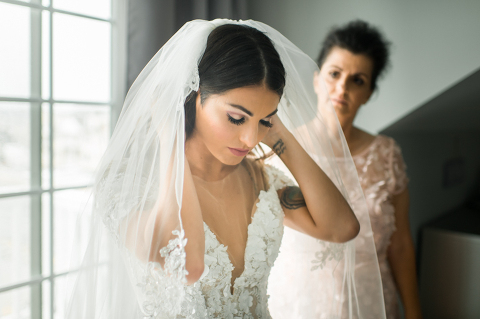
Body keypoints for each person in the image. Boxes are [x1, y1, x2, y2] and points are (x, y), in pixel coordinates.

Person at [65, 19, 384, 319]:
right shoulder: (129, 184)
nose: (249, 138)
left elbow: (342, 227)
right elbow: (188, 265)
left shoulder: (260, 179)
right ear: (194, 95)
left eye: (264, 120)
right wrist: (170, 132)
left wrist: (279, 134)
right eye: (236, 117)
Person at [313, 20, 422, 319]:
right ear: (315, 78)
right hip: (303, 301)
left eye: (357, 80)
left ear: (369, 93)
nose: (342, 88)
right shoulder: (278, 150)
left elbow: (399, 243)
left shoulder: (386, 154)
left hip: (374, 300)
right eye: (334, 74)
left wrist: (413, 312)